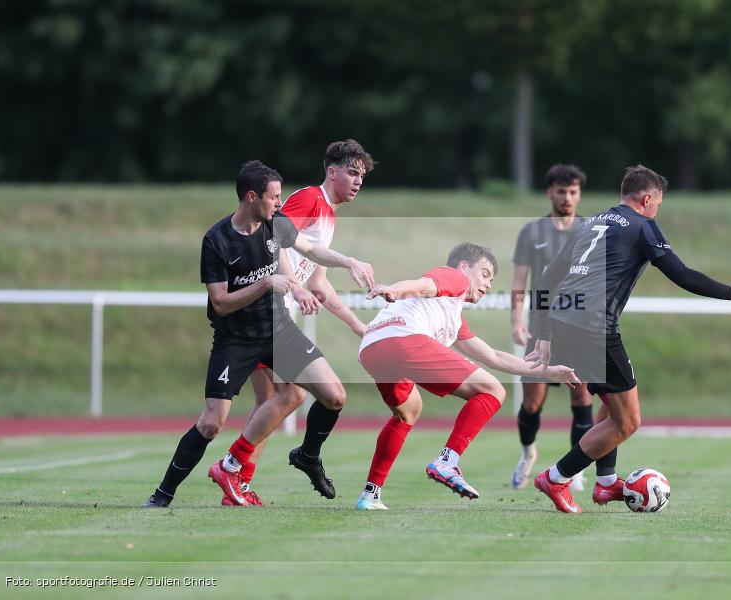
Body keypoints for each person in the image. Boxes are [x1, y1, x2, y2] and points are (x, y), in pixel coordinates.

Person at [529, 165, 731, 513]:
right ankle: (556, 477)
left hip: (565, 322)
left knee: (613, 406)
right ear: (646, 199)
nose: (658, 211)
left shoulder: (590, 222)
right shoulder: (643, 225)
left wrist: (543, 334)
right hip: (593, 327)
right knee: (629, 421)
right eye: (658, 204)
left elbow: (548, 277)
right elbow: (683, 275)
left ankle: (607, 484)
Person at [142, 160, 374, 508]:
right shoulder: (217, 241)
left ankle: (244, 466)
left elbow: (307, 252)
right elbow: (220, 303)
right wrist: (266, 284)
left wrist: (338, 267)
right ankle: (162, 495)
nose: (281, 204)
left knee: (334, 396)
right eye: (274, 197)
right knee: (211, 422)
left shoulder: (275, 224)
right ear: (252, 197)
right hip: (236, 339)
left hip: (278, 329)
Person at [354, 243, 579, 510]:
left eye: (491, 280)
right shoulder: (455, 278)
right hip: (403, 340)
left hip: (372, 348)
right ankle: (447, 462)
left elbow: (493, 357)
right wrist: (394, 289)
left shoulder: (450, 314)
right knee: (493, 391)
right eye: (484, 274)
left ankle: (370, 495)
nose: (488, 284)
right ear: (463, 267)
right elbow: (424, 283)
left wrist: (548, 371)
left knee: (408, 412)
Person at [225, 140, 375, 506]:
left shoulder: (330, 217)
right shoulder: (310, 199)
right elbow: (273, 238)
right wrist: (294, 284)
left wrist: (360, 327)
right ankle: (233, 471)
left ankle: (237, 483)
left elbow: (318, 283)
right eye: (352, 173)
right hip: (266, 308)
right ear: (332, 171)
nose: (357, 182)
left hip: (276, 311)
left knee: (275, 399)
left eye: (362, 176)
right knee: (294, 396)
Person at [511, 164, 602, 495]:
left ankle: (574, 470)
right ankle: (527, 453)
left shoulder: (592, 230)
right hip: (541, 324)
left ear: (579, 194)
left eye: (573, 191)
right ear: (549, 192)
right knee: (532, 402)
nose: (567, 197)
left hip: (578, 327)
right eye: (561, 191)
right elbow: (520, 281)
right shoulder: (532, 233)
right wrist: (516, 319)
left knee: (581, 397)